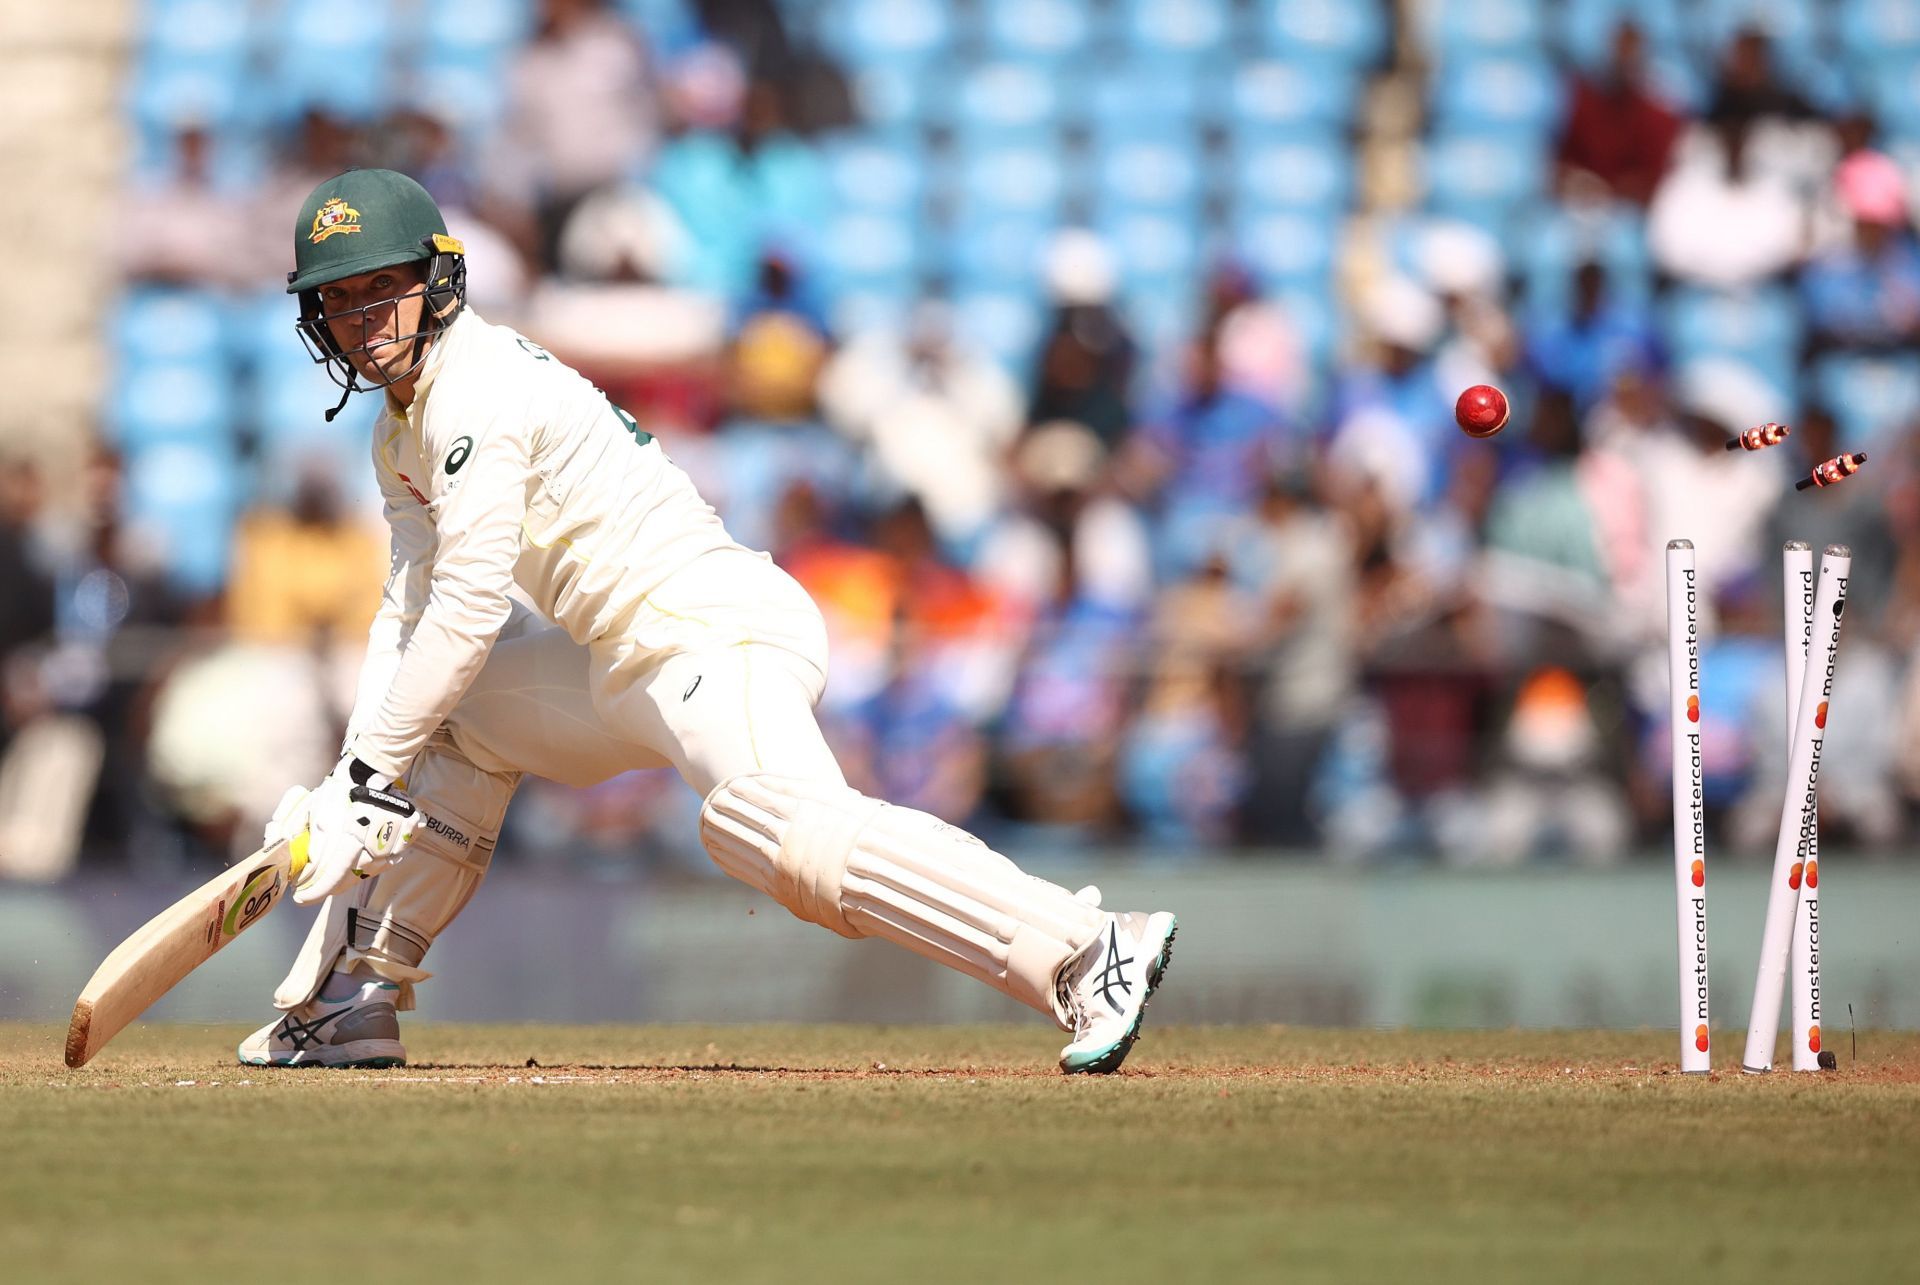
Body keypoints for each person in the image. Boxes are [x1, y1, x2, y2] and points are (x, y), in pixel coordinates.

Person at [241, 169, 1177, 1074]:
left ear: (438, 277)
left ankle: (1083, 950)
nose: (364, 322)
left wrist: (370, 771)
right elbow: (408, 605)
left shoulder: (473, 392)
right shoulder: (398, 426)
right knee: (453, 710)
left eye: (382, 289)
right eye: (340, 299)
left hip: (709, 629)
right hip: (619, 660)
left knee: (770, 829)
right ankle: (352, 998)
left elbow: (470, 605)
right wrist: (353, 778)